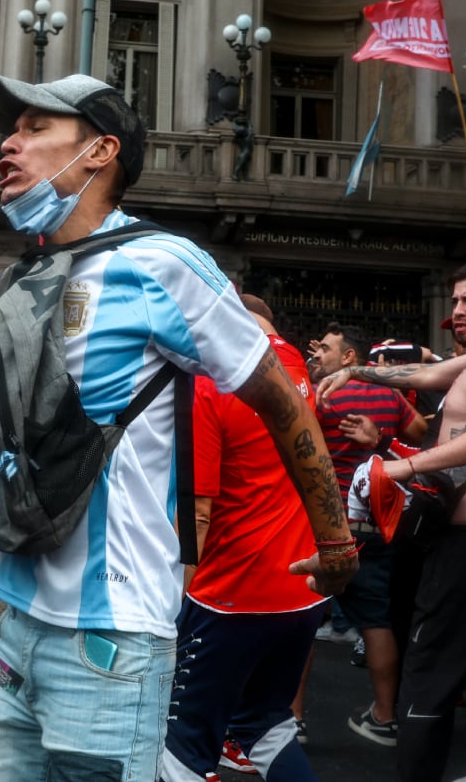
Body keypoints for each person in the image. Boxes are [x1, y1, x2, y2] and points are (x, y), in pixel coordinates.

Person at [0, 73, 358, 781]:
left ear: (100, 152)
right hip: (11, 623)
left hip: (108, 644)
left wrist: (335, 539)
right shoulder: (31, 271)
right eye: (10, 129)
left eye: (33, 128)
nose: (8, 144)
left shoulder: (160, 264)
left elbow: (283, 403)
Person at [316, 260, 466, 782]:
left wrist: (404, 465)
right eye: (456, 301)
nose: (458, 311)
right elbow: (424, 374)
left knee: (429, 671)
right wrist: (357, 370)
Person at [161, 295, 328, 782]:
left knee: (183, 745)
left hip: (230, 595)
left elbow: (198, 509)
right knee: (265, 723)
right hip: (300, 589)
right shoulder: (293, 361)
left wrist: (174, 604)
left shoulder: (212, 378)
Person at [308, 321, 426, 747]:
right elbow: (420, 434)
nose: (318, 355)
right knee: (376, 623)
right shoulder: (391, 395)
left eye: (326, 349)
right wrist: (382, 436)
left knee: (304, 618)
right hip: (376, 526)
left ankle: (292, 719)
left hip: (326, 524)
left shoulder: (321, 394)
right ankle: (384, 716)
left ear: (349, 358)